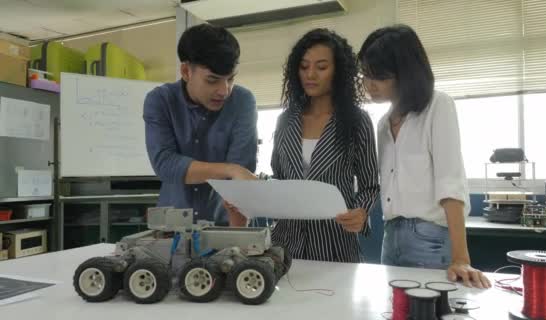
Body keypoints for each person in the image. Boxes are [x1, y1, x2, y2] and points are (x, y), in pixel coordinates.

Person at [228, 28, 379, 263]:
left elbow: (370, 185)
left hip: (335, 244)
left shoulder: (357, 121)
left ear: (338, 71)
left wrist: (361, 212)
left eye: (321, 67)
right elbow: (280, 179)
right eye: (304, 66)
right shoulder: (286, 120)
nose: (310, 74)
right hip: (286, 245)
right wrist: (248, 194)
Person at [358, 24, 491, 288]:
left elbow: (450, 182)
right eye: (365, 75)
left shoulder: (437, 106)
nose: (368, 85)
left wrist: (461, 257)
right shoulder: (383, 124)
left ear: (404, 73)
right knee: (393, 310)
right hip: (391, 235)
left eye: (379, 77)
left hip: (429, 238)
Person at [143, 23, 258, 226]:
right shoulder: (160, 100)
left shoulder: (243, 102)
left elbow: (241, 178)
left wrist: (238, 241)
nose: (224, 91)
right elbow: (165, 164)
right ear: (186, 71)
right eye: (212, 80)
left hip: (224, 226)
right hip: (171, 228)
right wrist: (230, 170)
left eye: (230, 79)